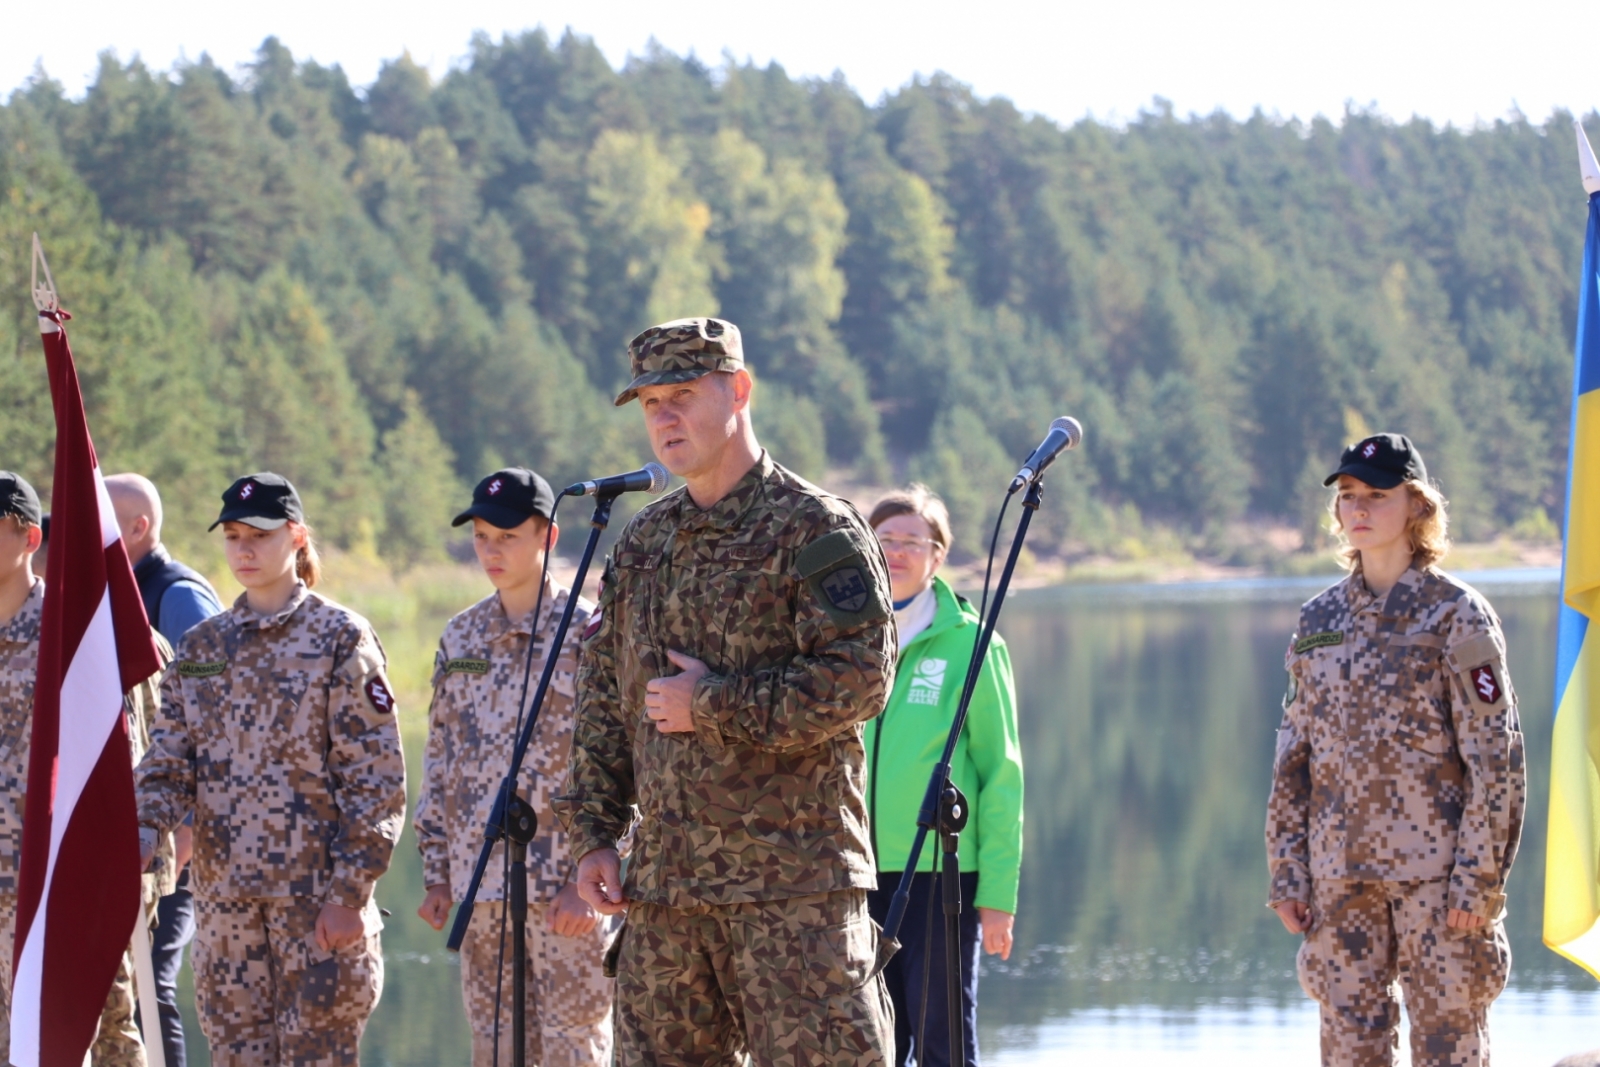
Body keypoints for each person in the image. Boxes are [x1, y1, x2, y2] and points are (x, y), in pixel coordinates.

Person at [554, 317, 898, 1067]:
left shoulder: (815, 527)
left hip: (792, 891)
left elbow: (861, 675)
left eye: (682, 394)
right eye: (650, 404)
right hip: (667, 897)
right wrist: (595, 834)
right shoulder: (645, 544)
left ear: (739, 390)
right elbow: (606, 700)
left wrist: (713, 702)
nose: (666, 418)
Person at [1266, 434, 1525, 1067]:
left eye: (1377, 496)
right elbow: (1293, 757)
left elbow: (1497, 760)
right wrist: (1288, 872)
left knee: (1448, 1048)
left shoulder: (1456, 615)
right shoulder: (1319, 619)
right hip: (1338, 882)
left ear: (1416, 506)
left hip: (1438, 887)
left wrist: (1478, 883)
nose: (1357, 509)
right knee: (1350, 1051)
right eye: (1348, 497)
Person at [135, 472, 407, 1066]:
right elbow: (168, 766)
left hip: (314, 911)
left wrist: (348, 894)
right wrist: (141, 835)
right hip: (227, 917)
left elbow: (377, 785)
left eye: (259, 535)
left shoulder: (339, 638)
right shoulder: (202, 650)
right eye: (233, 537)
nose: (245, 550)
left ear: (297, 537)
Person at [415, 467, 618, 1066]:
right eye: (481, 537)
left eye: (506, 535)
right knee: (496, 1051)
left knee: (571, 1051)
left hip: (567, 891)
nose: (491, 551)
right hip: (483, 890)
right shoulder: (462, 637)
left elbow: (626, 762)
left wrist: (594, 879)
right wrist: (436, 871)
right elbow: (441, 758)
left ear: (547, 537)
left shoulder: (588, 633)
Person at [0, 472, 166, 1066]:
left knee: (103, 1044)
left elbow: (144, 764)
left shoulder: (83, 636)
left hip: (67, 888)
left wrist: (137, 887)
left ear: (28, 539)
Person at [864, 485, 1023, 1067]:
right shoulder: (841, 641)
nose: (896, 552)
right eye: (883, 539)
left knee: (942, 1045)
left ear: (938, 556)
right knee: (867, 1044)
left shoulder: (973, 645)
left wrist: (999, 897)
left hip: (939, 875)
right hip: (851, 874)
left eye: (912, 541)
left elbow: (1002, 774)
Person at [105, 472, 225, 1067]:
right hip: (135, 830)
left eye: (103, 523)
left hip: (176, 839)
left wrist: (190, 825)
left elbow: (215, 716)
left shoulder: (177, 596)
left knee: (152, 985)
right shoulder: (112, 592)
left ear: (137, 527)